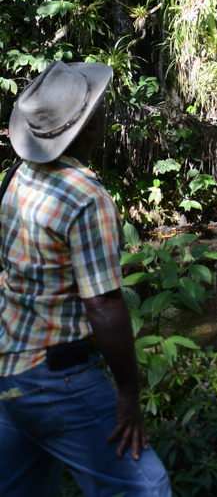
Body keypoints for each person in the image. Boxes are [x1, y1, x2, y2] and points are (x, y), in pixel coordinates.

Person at [0, 60, 171, 497]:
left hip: (9, 373)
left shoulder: (18, 175)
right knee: (147, 488)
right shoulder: (85, 197)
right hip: (57, 378)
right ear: (91, 128)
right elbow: (102, 304)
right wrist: (128, 392)